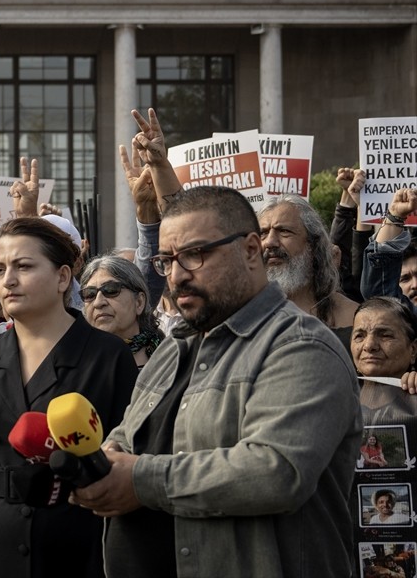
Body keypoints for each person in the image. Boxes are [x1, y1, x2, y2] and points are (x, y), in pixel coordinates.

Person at [73, 185, 361, 578]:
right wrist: (101, 465)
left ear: (251, 250)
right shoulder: (172, 350)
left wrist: (140, 479)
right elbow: (128, 436)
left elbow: (277, 471)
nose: (177, 276)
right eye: (166, 260)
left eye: (195, 254)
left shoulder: (301, 346)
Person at [0, 212, 137, 578]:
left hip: (72, 550)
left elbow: (126, 463)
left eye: (23, 266)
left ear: (63, 277)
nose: (7, 280)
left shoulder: (107, 356)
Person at [259, 194, 359, 343]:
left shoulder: (355, 320)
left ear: (313, 244)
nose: (270, 242)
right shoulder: (244, 317)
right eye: (263, 233)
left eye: (284, 231)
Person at [79, 254, 162, 367]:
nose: (98, 302)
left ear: (139, 302)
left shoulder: (170, 358)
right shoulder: (73, 362)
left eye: (111, 290)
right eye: (90, 294)